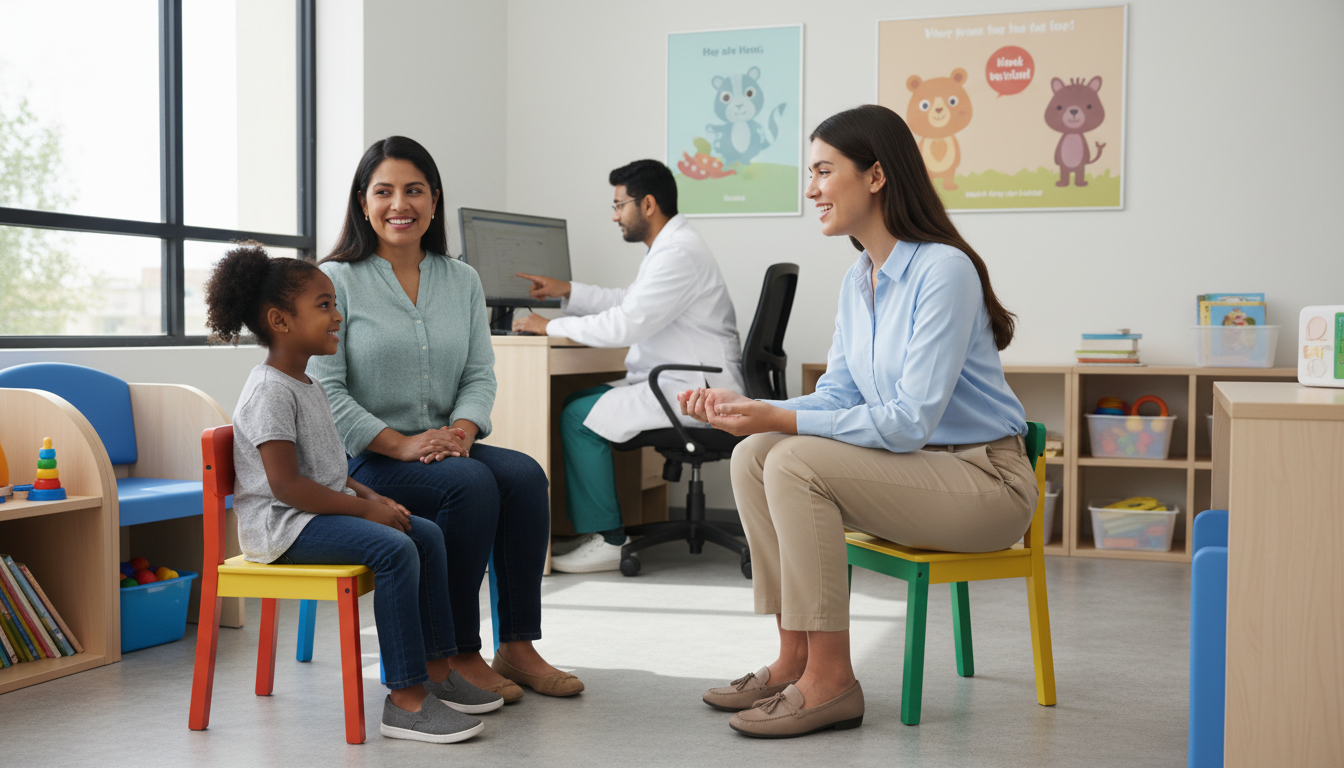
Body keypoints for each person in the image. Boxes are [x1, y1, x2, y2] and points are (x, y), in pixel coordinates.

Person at [679, 104, 1037, 738]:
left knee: (789, 455)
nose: (812, 189)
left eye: (823, 171)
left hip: (986, 485)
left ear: (875, 176)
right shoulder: (858, 279)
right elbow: (841, 393)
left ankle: (831, 680)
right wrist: (758, 413)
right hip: (920, 475)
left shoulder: (942, 271)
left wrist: (781, 421)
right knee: (754, 452)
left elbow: (907, 423)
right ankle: (794, 657)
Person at [308, 137, 583, 702]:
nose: (399, 204)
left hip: (446, 445)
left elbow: (480, 373)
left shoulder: (461, 280)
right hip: (366, 460)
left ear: (434, 201)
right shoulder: (335, 280)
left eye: (414, 190)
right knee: (472, 483)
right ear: (364, 202)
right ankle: (454, 650)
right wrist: (401, 445)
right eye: (383, 191)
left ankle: (518, 645)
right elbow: (326, 391)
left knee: (525, 475)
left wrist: (463, 431)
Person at [205, 244, 501, 744]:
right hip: (281, 528)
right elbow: (288, 487)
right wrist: (366, 510)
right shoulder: (269, 391)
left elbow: (330, 470)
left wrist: (373, 498)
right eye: (324, 306)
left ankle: (435, 668)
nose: (338, 315)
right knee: (393, 548)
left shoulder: (307, 384)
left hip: (311, 512)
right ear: (280, 320)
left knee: (423, 533)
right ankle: (405, 700)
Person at [511, 159, 744, 573]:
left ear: (648, 204)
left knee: (577, 416)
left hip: (691, 386)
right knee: (582, 398)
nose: (615, 215)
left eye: (620, 205)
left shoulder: (678, 253)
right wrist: (569, 291)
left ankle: (608, 539)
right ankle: (597, 530)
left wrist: (551, 326)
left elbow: (627, 322)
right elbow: (628, 301)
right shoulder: (671, 247)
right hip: (680, 377)